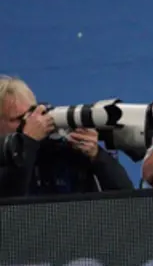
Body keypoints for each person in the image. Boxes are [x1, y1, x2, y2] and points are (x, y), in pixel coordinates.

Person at [0, 75, 132, 198]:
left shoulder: (61, 149)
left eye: (32, 113)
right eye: (18, 118)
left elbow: (126, 198)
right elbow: (10, 205)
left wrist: (97, 156)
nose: (31, 122)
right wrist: (28, 143)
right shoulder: (7, 158)